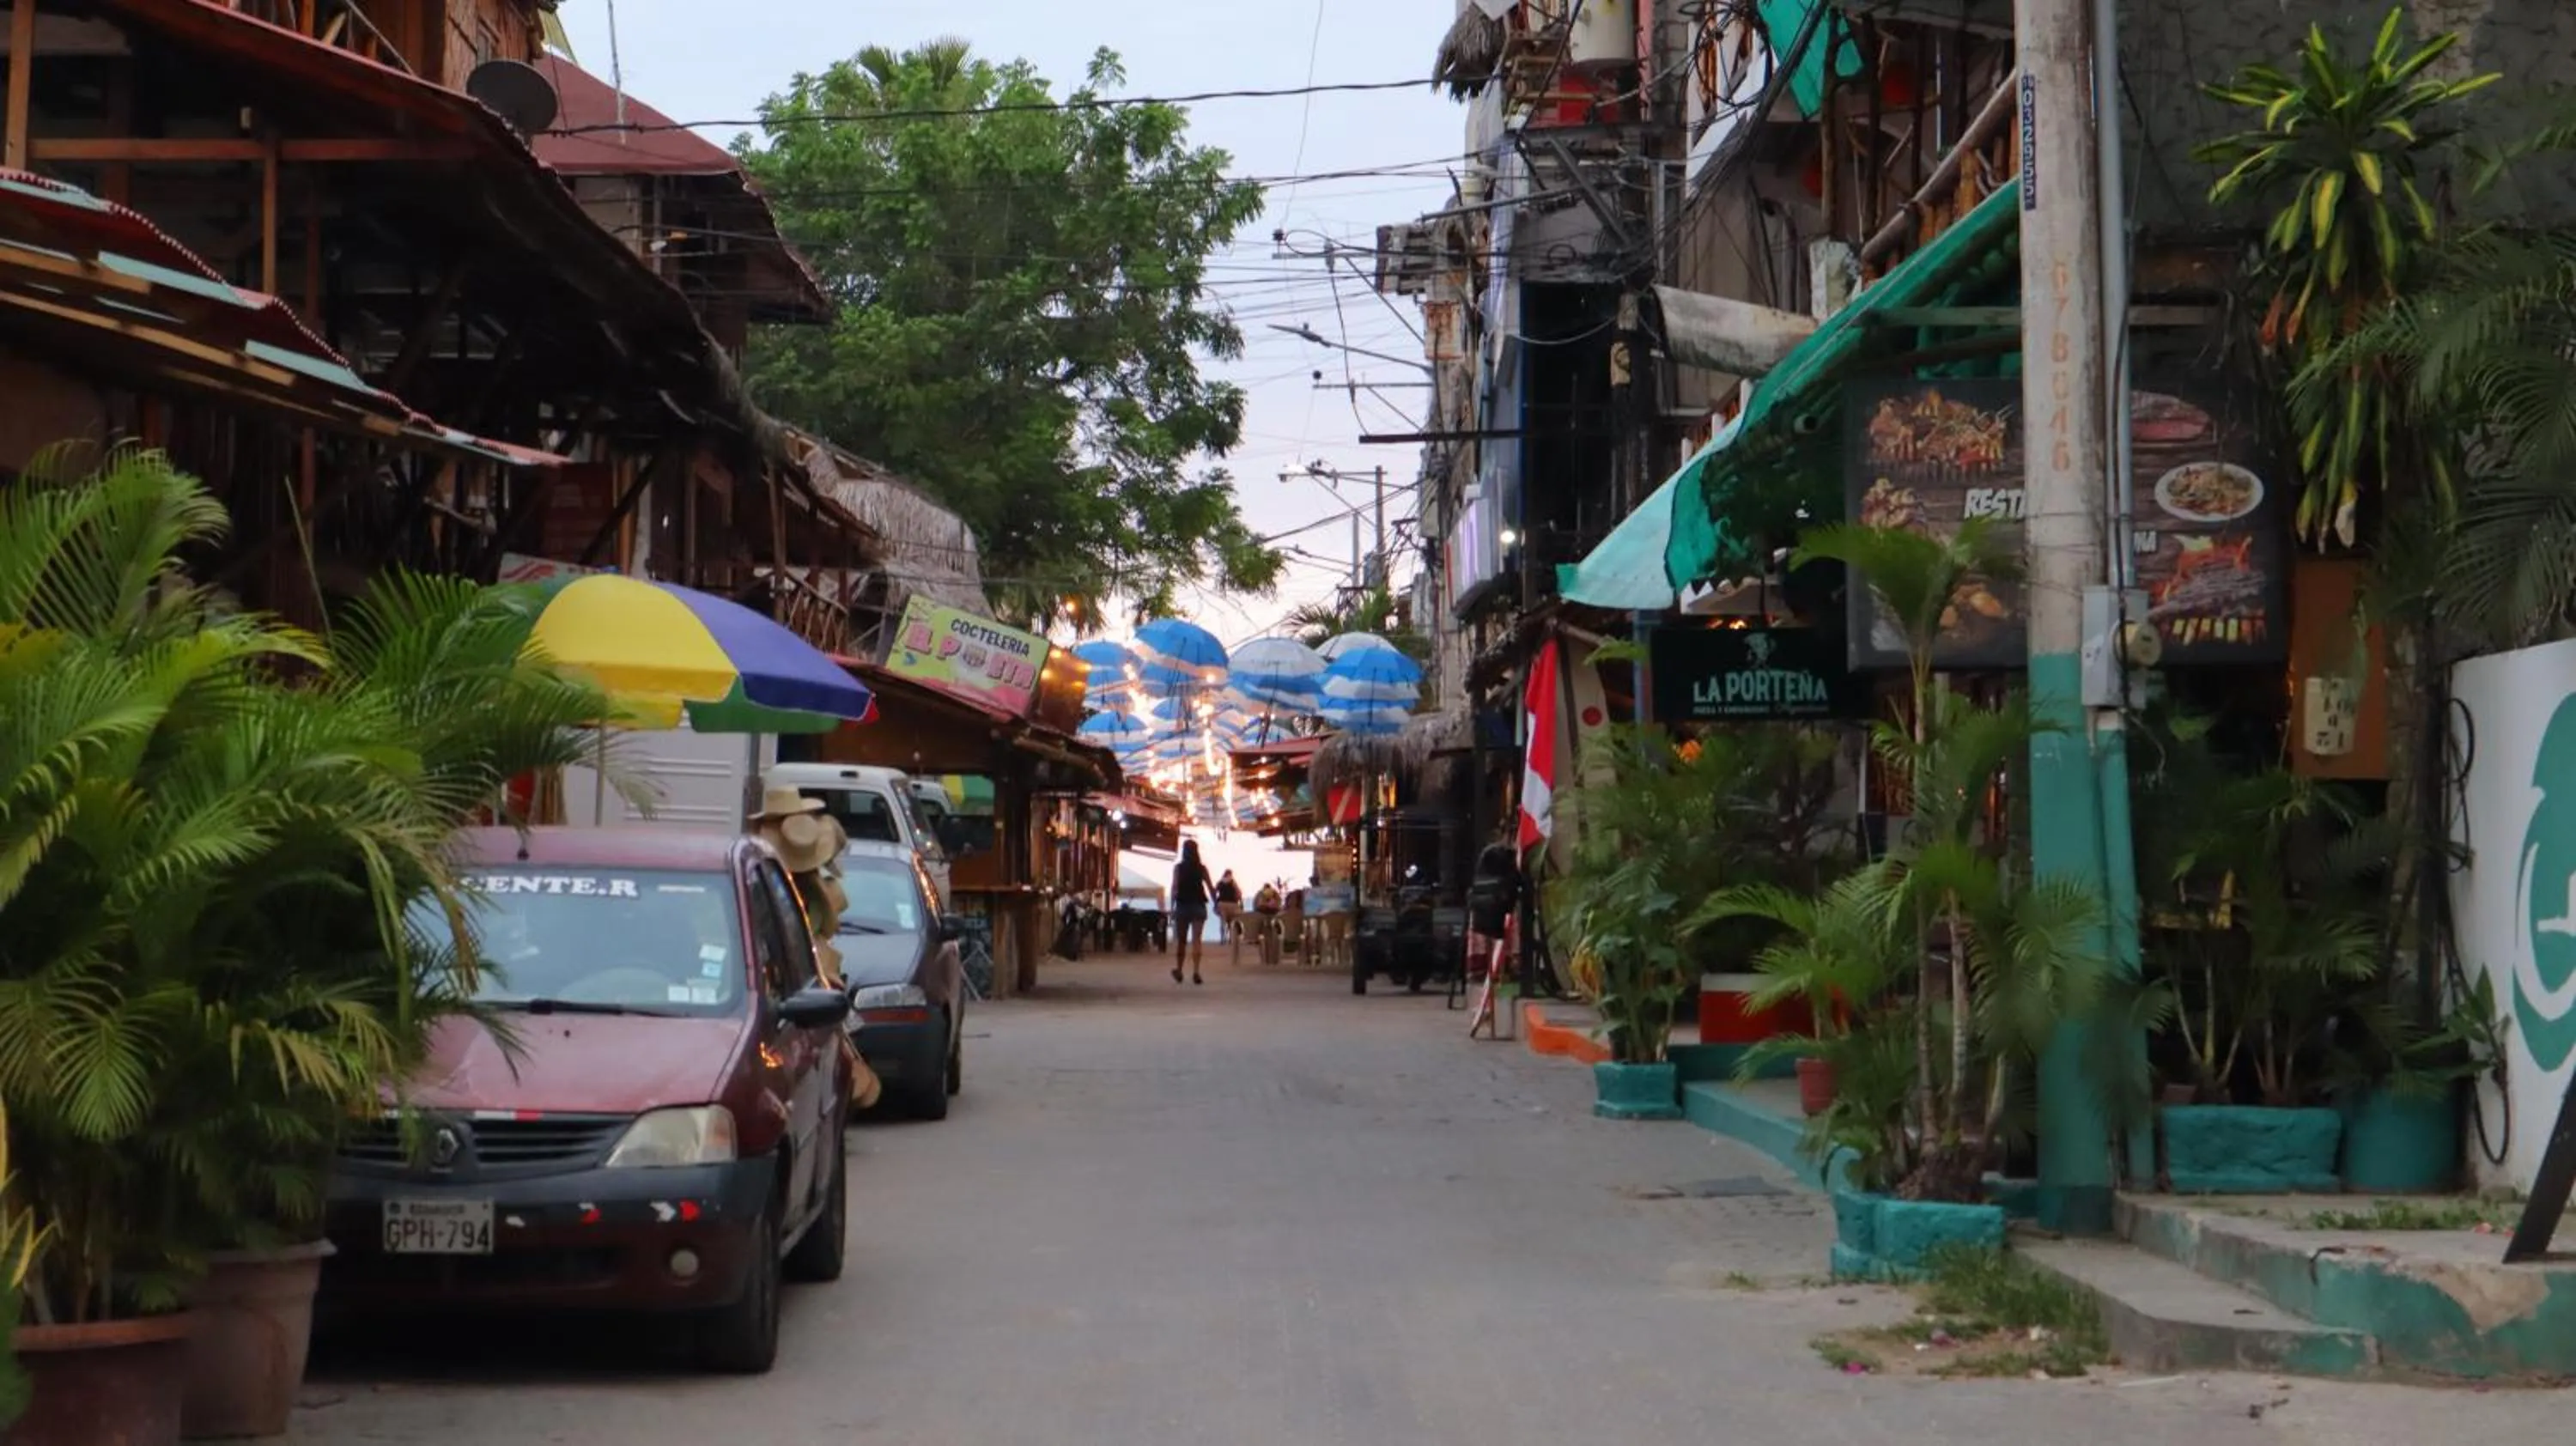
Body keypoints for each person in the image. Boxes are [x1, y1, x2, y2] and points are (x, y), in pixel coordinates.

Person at [1466, 841, 1524, 1040]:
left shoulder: (1484, 864)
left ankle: (1488, 1005)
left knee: (1493, 959)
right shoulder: (1504, 869)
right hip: (1500, 916)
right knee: (1498, 959)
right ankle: (1489, 1004)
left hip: (1484, 917)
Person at [1170, 841, 1213, 985]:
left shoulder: (1178, 868)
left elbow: (1175, 888)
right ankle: (1196, 971)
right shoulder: (1202, 869)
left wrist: (1172, 907)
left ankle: (1179, 970)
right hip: (1198, 906)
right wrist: (1216, 904)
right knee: (1197, 940)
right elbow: (1211, 887)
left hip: (1182, 906)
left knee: (1181, 941)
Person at [1213, 869, 1245, 966]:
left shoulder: (1220, 883)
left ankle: (1223, 939)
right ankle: (1231, 938)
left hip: (1222, 904)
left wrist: (1216, 903)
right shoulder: (1233, 883)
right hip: (1233, 905)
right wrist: (1241, 904)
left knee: (1222, 922)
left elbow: (1214, 893)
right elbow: (1239, 894)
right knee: (1232, 922)